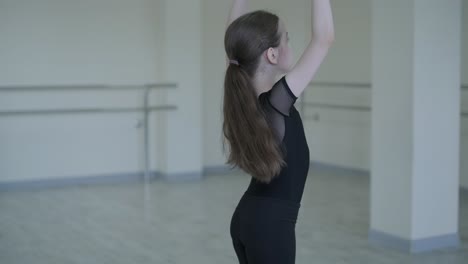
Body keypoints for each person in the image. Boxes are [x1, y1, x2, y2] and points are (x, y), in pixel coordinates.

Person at [223, 0, 334, 263]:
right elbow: (324, 38)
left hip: (249, 218)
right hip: (269, 229)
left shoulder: (245, 96)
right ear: (272, 55)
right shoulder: (275, 103)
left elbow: (234, 42)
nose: (290, 43)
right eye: (287, 38)